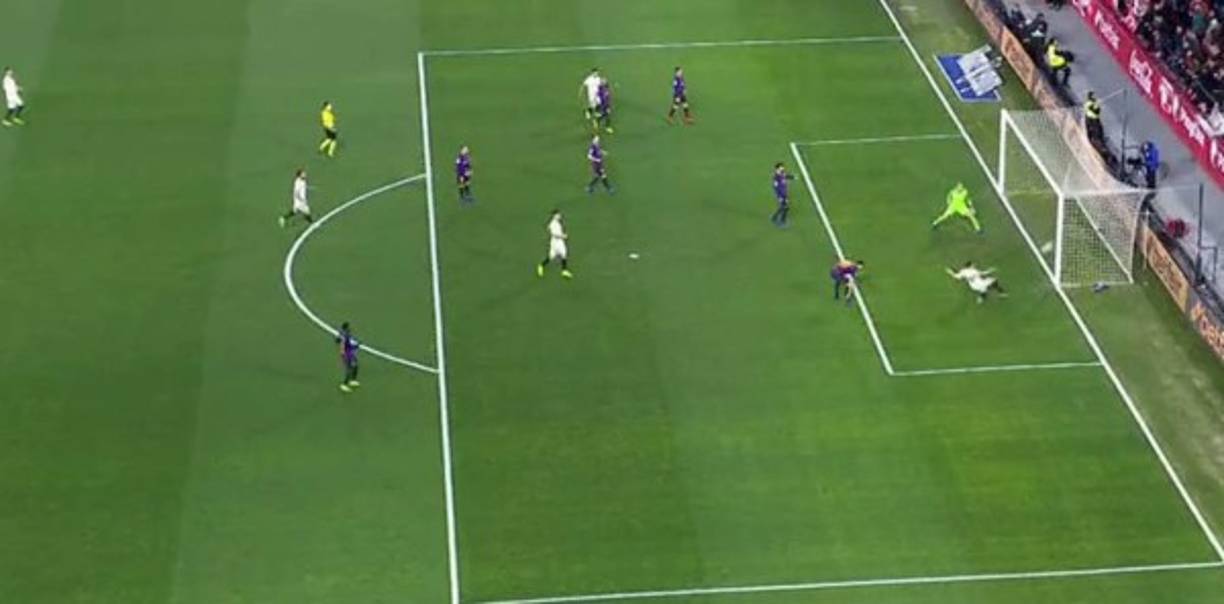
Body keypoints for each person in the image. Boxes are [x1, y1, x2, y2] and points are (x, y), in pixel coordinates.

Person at [537, 209, 573, 279]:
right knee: (551, 257)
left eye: (559, 214)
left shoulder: (556, 222)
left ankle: (564, 270)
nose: (559, 216)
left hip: (560, 242)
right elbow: (554, 234)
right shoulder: (553, 224)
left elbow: (548, 228)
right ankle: (541, 265)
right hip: (555, 243)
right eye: (558, 215)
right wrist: (563, 236)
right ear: (554, 216)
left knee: (564, 254)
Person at [336, 322, 361, 393]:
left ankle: (353, 380)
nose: (350, 328)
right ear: (346, 328)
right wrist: (343, 352)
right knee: (349, 369)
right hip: (347, 353)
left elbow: (338, 340)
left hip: (351, 352)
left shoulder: (346, 334)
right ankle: (344, 384)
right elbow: (343, 343)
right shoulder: (345, 335)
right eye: (348, 327)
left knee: (356, 365)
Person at [770, 162, 795, 227]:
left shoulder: (782, 173)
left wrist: (793, 177)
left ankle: (774, 218)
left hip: (784, 193)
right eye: (781, 167)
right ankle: (782, 221)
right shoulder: (776, 177)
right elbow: (776, 188)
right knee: (785, 207)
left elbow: (786, 176)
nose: (783, 168)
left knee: (784, 207)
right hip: (781, 194)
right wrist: (779, 197)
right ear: (777, 168)